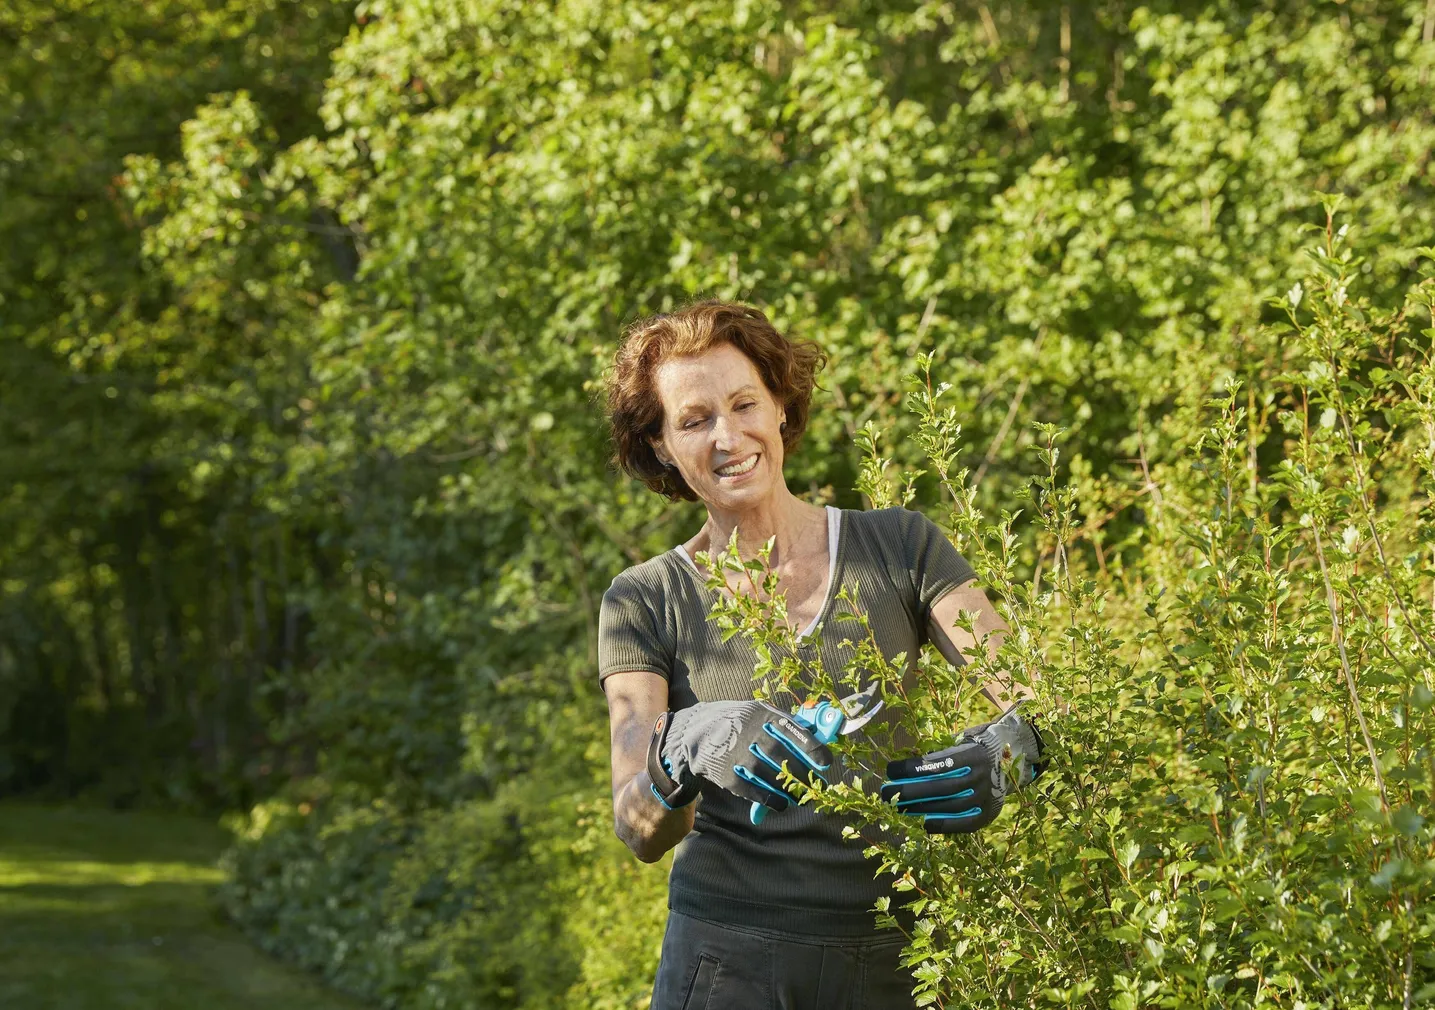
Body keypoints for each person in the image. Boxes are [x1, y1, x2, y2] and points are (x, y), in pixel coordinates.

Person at [599, 300, 1046, 1010]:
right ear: (657, 445)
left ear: (780, 405)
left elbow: (1036, 702)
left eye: (745, 403)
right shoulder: (644, 599)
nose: (727, 435)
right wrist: (687, 741)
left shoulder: (899, 547)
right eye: (693, 420)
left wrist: (1011, 755)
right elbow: (638, 828)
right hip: (723, 960)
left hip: (897, 955)